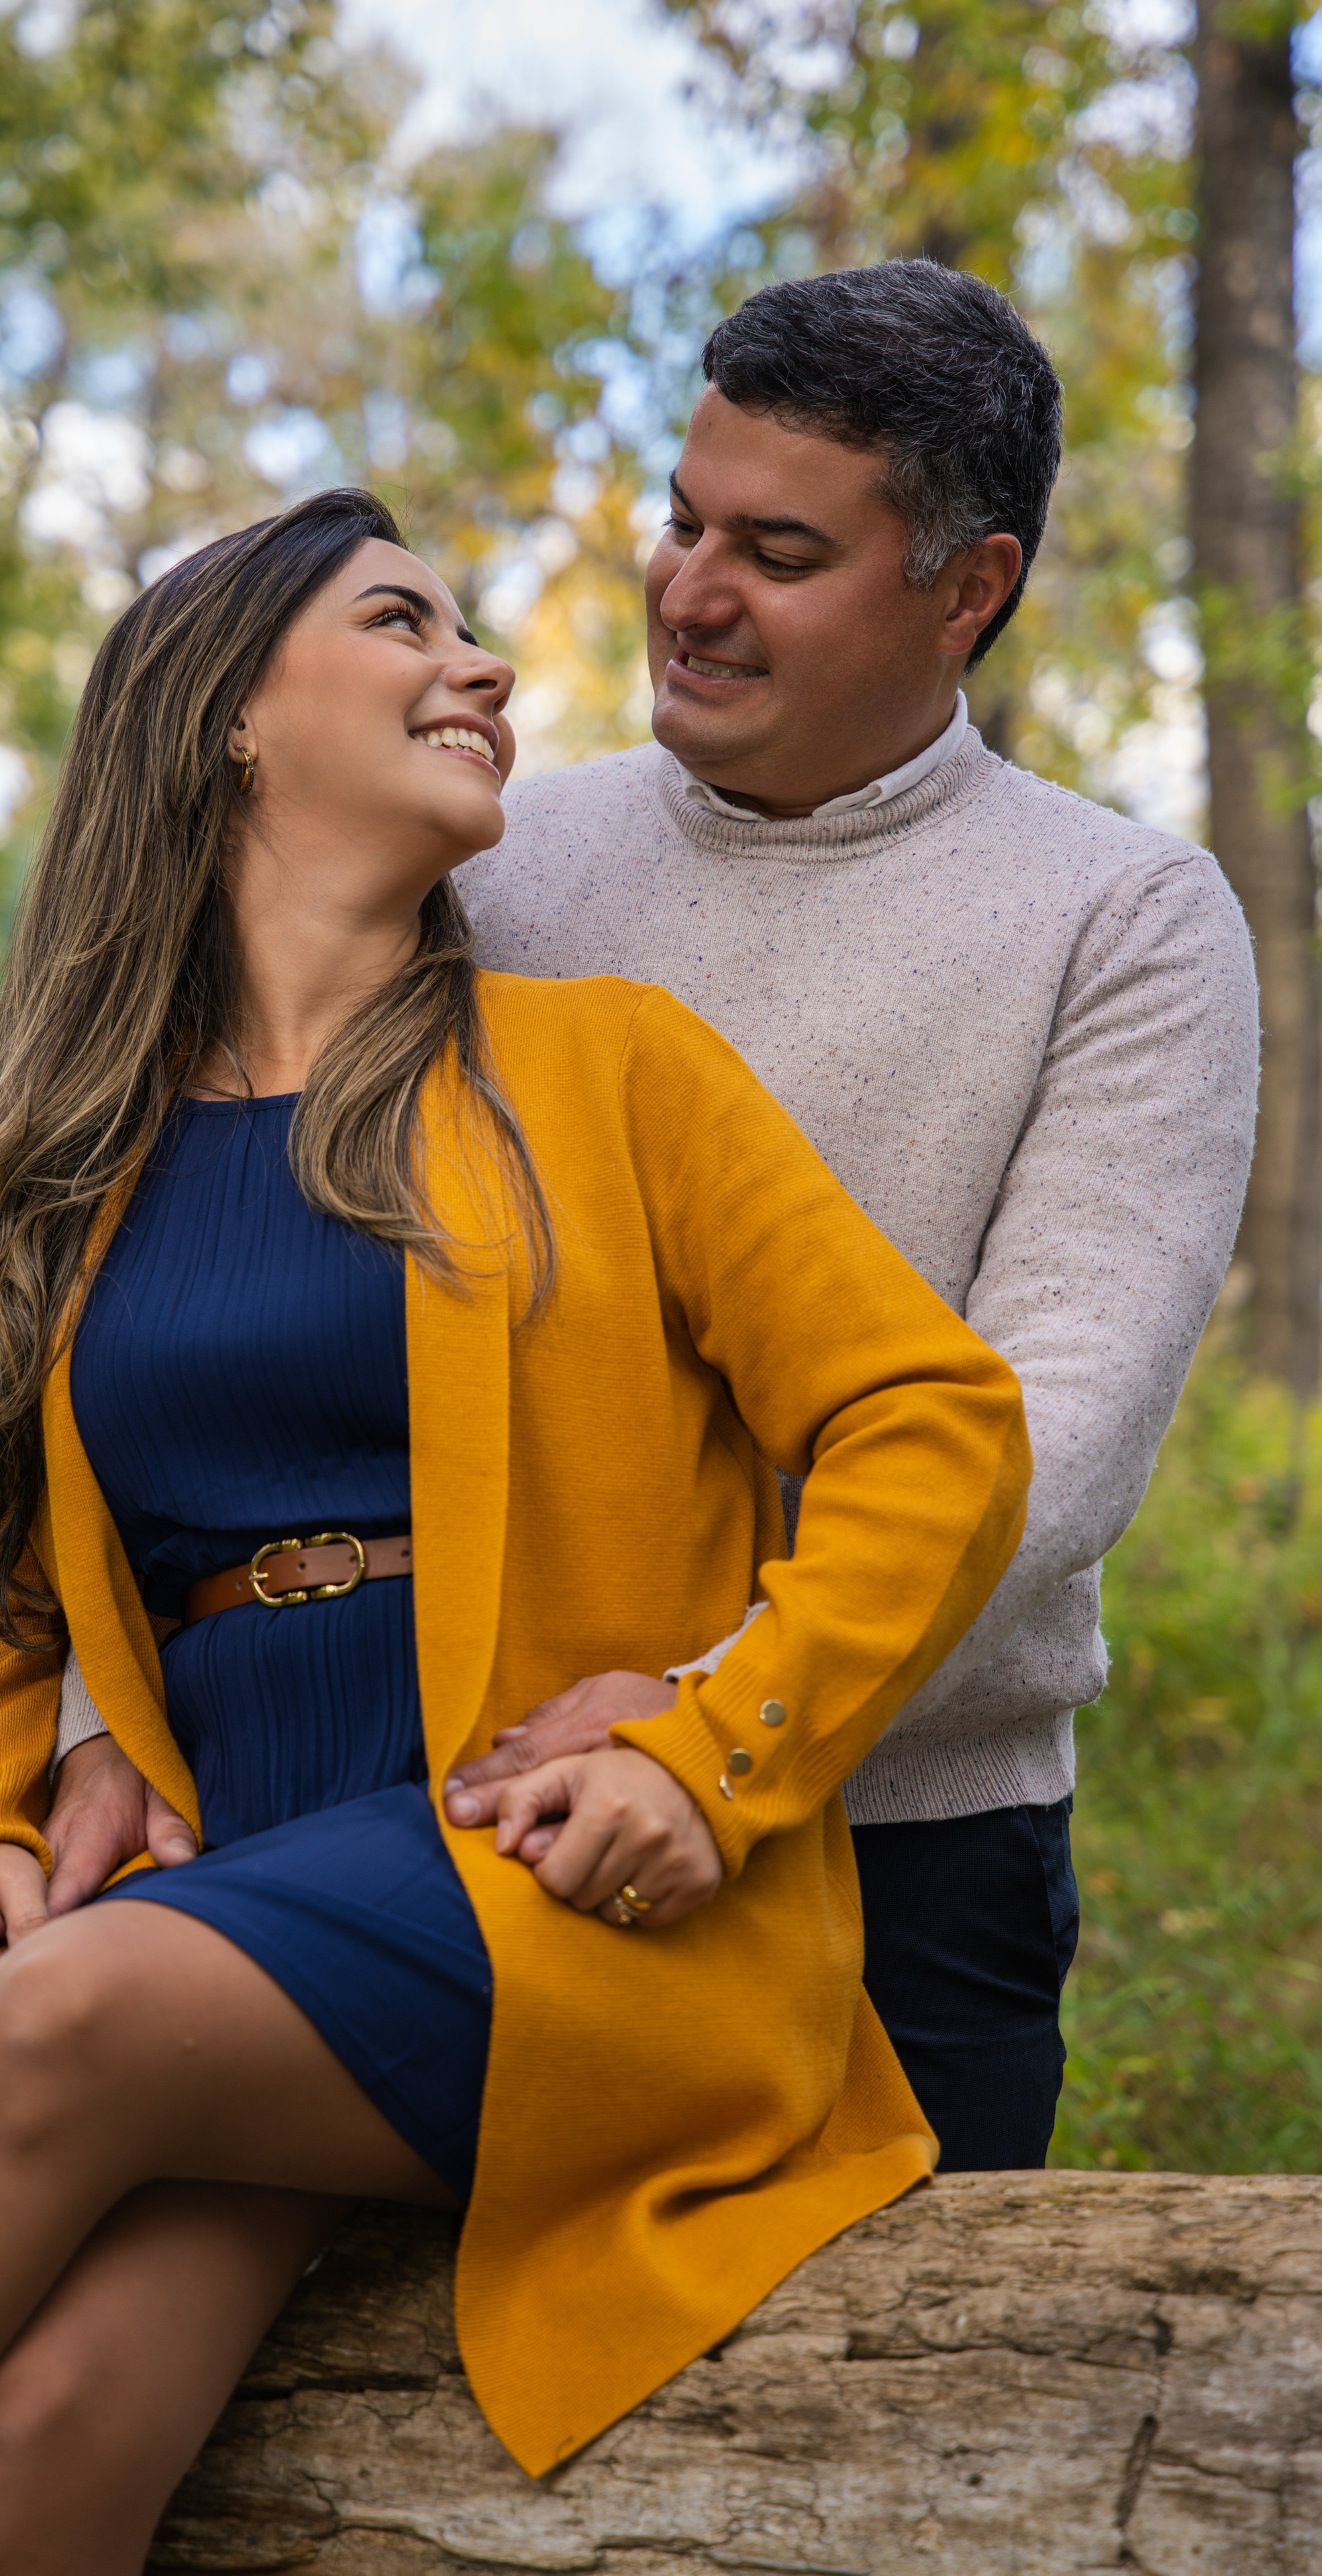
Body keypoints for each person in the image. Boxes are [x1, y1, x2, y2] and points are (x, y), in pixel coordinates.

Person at [0, 488, 1029, 2576]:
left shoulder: (608, 1071)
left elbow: (938, 1421)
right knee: (51, 2423)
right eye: (406, 620)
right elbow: (2, 1587)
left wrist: (714, 1738)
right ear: (225, 717)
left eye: (473, 632)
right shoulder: (81, 1169)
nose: (483, 668)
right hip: (250, 1884)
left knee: (64, 2023)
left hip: (539, 1880)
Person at [447, 260, 1261, 2171]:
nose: (690, 591)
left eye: (780, 551)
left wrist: (724, 1716)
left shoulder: (1124, 920)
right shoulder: (492, 864)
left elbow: (1046, 1436)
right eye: (683, 519)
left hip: (908, 1859)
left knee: (905, 2436)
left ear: (964, 586)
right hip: (474, 1802)